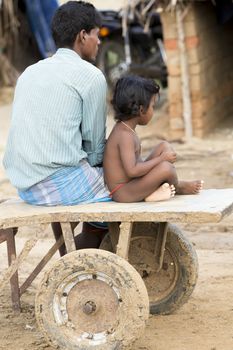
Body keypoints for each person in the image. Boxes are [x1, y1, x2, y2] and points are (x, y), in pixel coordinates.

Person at [3, 1, 111, 249]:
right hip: (57, 186)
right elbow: (95, 149)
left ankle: (67, 248)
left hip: (25, 183)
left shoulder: (30, 72)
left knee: (67, 162)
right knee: (121, 186)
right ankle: (82, 254)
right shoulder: (91, 76)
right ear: (83, 36)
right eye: (96, 34)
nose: (99, 41)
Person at [103, 75, 203, 202]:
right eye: (152, 106)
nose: (153, 111)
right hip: (123, 192)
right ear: (141, 110)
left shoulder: (125, 129)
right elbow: (132, 171)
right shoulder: (124, 135)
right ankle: (177, 187)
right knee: (167, 168)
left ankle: (158, 189)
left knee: (164, 146)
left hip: (132, 184)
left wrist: (161, 158)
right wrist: (161, 159)